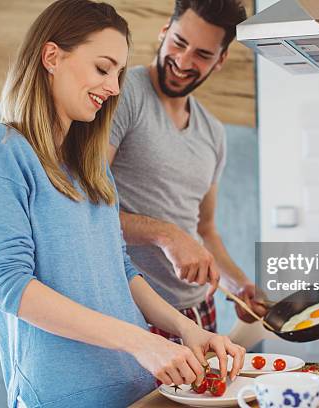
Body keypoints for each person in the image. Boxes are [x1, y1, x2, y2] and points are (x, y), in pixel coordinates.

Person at [0, 1, 244, 407]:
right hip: (64, 396)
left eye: (117, 73)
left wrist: (188, 330)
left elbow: (121, 269)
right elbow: (10, 285)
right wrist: (140, 342)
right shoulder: (2, 149)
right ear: (52, 56)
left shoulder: (91, 168)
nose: (113, 87)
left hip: (136, 388)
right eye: (102, 68)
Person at [108, 0, 267, 342]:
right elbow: (84, 210)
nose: (182, 62)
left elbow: (205, 230)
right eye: (179, 43)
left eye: (202, 55)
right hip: (134, 311)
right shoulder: (123, 95)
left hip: (200, 311)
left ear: (220, 60)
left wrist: (237, 283)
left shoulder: (213, 133)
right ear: (165, 32)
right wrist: (166, 234)